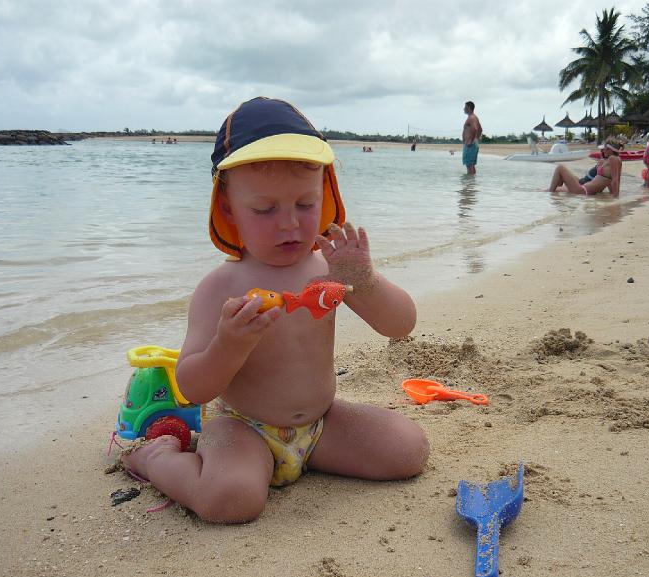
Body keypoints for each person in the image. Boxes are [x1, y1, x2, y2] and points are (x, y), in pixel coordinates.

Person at [120, 97, 429, 523]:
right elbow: (191, 387)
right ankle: (157, 459)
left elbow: (400, 325)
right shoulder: (221, 288)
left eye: (305, 204)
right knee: (231, 499)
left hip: (320, 425)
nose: (290, 223)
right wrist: (229, 345)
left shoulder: (330, 270)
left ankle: (304, 459)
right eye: (265, 209)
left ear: (326, 194)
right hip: (243, 429)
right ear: (228, 208)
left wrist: (365, 282)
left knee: (408, 449)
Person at [548, 139, 622, 196]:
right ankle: (553, 195)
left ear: (609, 149)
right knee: (557, 189)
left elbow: (615, 180)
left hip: (583, 190)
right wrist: (612, 194)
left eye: (604, 148)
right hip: (585, 189)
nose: (603, 150)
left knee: (560, 168)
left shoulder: (613, 158)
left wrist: (615, 197)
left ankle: (550, 194)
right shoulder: (614, 160)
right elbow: (612, 180)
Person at [462, 101, 482, 174]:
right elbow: (480, 129)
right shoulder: (474, 117)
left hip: (470, 144)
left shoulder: (471, 118)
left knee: (469, 165)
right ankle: (472, 180)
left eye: (465, 107)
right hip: (472, 143)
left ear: (469, 108)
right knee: (471, 165)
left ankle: (469, 181)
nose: (463, 109)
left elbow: (475, 129)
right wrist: (476, 139)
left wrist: (471, 140)